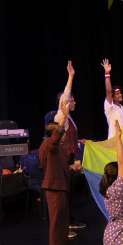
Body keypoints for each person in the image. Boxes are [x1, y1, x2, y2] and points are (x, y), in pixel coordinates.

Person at [39, 101, 82, 245]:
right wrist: (64, 115)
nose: (64, 136)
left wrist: (72, 167)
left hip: (61, 188)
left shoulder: (57, 148)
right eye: (61, 133)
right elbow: (57, 134)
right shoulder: (49, 145)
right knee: (57, 225)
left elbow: (56, 164)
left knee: (63, 225)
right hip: (54, 189)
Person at [53, 61, 85, 233]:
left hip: (70, 156)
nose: (74, 102)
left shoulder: (69, 118)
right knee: (65, 194)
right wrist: (71, 76)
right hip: (63, 159)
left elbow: (70, 136)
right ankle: (64, 226)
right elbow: (65, 96)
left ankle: (70, 221)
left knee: (70, 193)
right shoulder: (60, 116)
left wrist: (80, 142)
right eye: (71, 100)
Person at [101, 59, 123, 139]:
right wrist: (107, 73)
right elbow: (108, 91)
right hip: (113, 141)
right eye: (117, 94)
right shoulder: (110, 108)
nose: (120, 95)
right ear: (112, 97)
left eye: (120, 93)